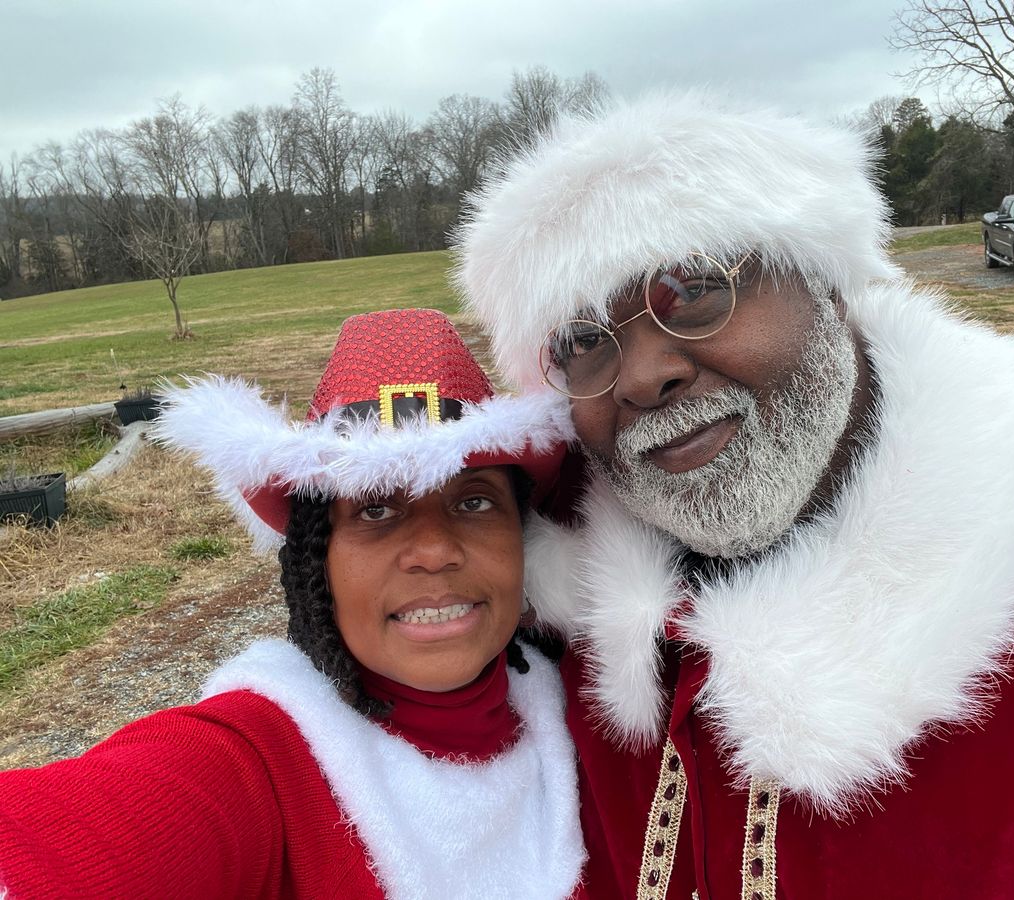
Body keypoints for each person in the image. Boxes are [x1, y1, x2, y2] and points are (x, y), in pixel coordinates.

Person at [454, 94, 1014, 898]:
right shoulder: (542, 589)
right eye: (583, 344)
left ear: (827, 284)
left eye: (695, 288)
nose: (641, 376)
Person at [0, 309, 585, 899]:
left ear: (523, 537)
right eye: (375, 508)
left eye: (475, 502)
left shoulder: (599, 715)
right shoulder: (259, 754)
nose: (433, 551)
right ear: (317, 560)